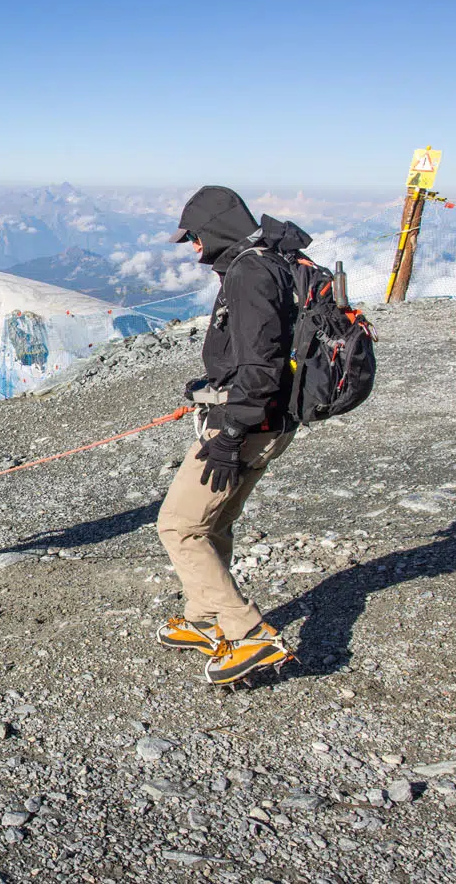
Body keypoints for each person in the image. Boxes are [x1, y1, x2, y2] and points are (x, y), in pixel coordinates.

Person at [155, 186, 300, 685]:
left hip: (247, 423)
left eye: (194, 236)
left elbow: (262, 367)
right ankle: (204, 619)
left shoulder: (250, 273)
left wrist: (231, 433)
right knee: (212, 523)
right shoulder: (265, 261)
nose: (193, 248)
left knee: (179, 525)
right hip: (263, 420)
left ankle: (248, 633)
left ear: (214, 228)